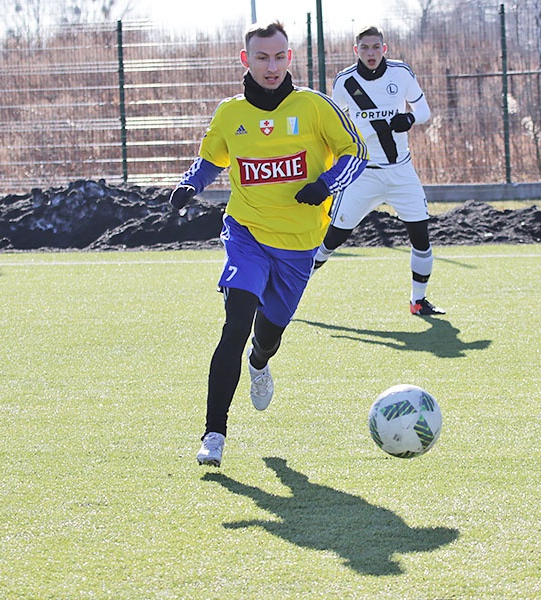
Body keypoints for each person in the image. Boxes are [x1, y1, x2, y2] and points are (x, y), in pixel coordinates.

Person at [169, 21, 368, 467]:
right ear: (246, 60)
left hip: (299, 245)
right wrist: (189, 186)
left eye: (279, 57)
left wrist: (325, 183)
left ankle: (261, 363)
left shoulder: (315, 107)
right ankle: (214, 433)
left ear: (290, 58)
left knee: (267, 336)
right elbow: (209, 161)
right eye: (262, 57)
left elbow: (357, 155)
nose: (271, 66)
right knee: (235, 323)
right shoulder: (230, 114)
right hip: (247, 234)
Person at [311, 26, 445, 316]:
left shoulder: (401, 73)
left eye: (375, 47)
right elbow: (333, 123)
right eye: (365, 48)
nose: (370, 53)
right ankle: (290, 293)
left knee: (421, 238)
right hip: (363, 173)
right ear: (355, 50)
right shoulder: (345, 82)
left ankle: (418, 301)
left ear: (384, 49)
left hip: (401, 172)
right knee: (332, 240)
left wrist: (408, 117)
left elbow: (424, 112)